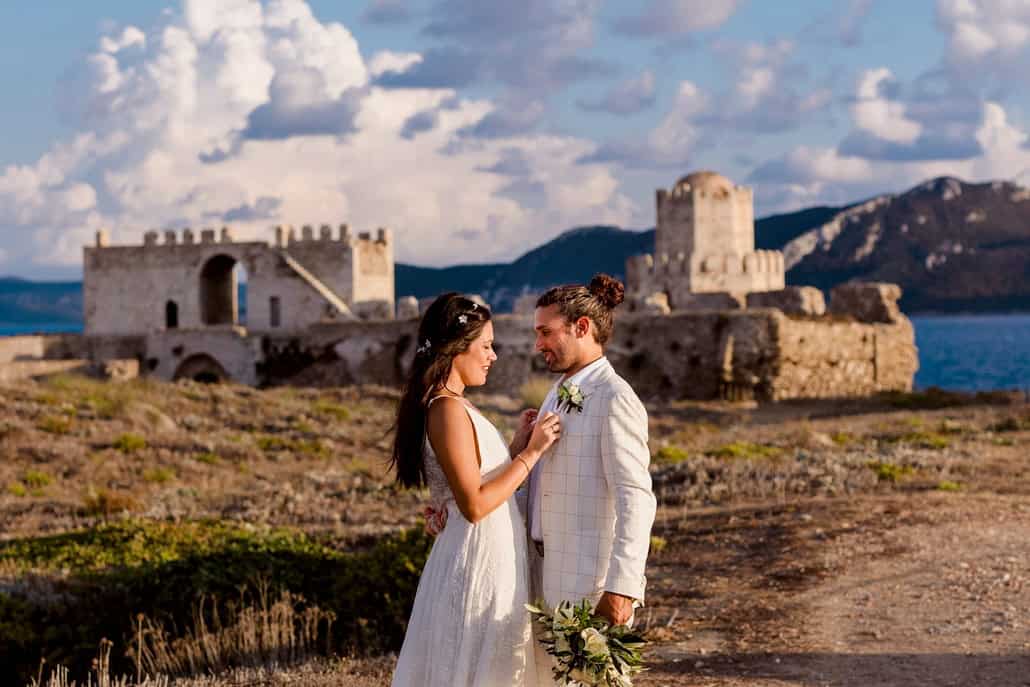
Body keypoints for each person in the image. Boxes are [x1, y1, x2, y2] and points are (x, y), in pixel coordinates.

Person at [390, 292, 562, 687]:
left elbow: (476, 481)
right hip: (476, 554)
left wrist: (514, 448)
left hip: (490, 550)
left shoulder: (455, 404)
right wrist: (532, 454)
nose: (493, 356)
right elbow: (474, 505)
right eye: (485, 346)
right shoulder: (446, 409)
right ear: (457, 348)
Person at [526, 274, 657, 685]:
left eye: (546, 332)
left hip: (590, 586)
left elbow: (636, 498)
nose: (538, 344)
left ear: (581, 327)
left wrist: (622, 588)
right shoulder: (557, 391)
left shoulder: (615, 397)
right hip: (546, 576)